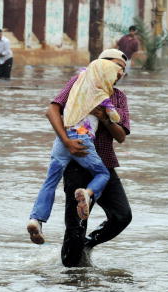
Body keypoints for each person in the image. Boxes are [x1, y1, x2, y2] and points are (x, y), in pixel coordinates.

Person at [43, 49, 131, 267]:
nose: (119, 72)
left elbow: (121, 137)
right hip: (76, 162)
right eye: (116, 66)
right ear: (100, 64)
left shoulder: (118, 97)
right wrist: (66, 141)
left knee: (122, 216)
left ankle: (88, 244)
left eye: (123, 69)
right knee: (75, 227)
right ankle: (71, 282)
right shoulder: (79, 82)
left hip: (104, 165)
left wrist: (106, 119)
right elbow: (52, 110)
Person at [26, 59, 123, 245]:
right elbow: (116, 118)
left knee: (50, 182)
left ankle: (36, 219)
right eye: (114, 73)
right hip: (82, 140)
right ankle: (87, 193)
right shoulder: (101, 93)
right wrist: (107, 113)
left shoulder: (76, 84)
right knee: (102, 173)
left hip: (63, 139)